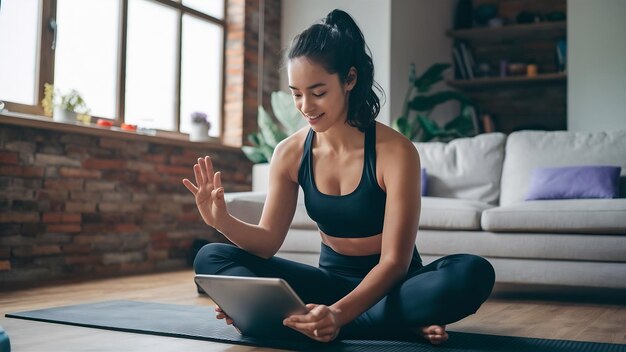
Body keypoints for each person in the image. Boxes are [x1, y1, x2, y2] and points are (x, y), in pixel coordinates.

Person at [183, 9, 495, 345]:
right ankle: (377, 325)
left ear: (349, 79)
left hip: (393, 287)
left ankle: (301, 321)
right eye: (296, 93)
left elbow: (394, 263)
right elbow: (268, 242)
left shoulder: (396, 152)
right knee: (211, 257)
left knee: (472, 273)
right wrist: (222, 221)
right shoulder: (289, 153)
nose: (305, 106)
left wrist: (337, 315)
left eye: (318, 92)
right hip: (329, 285)